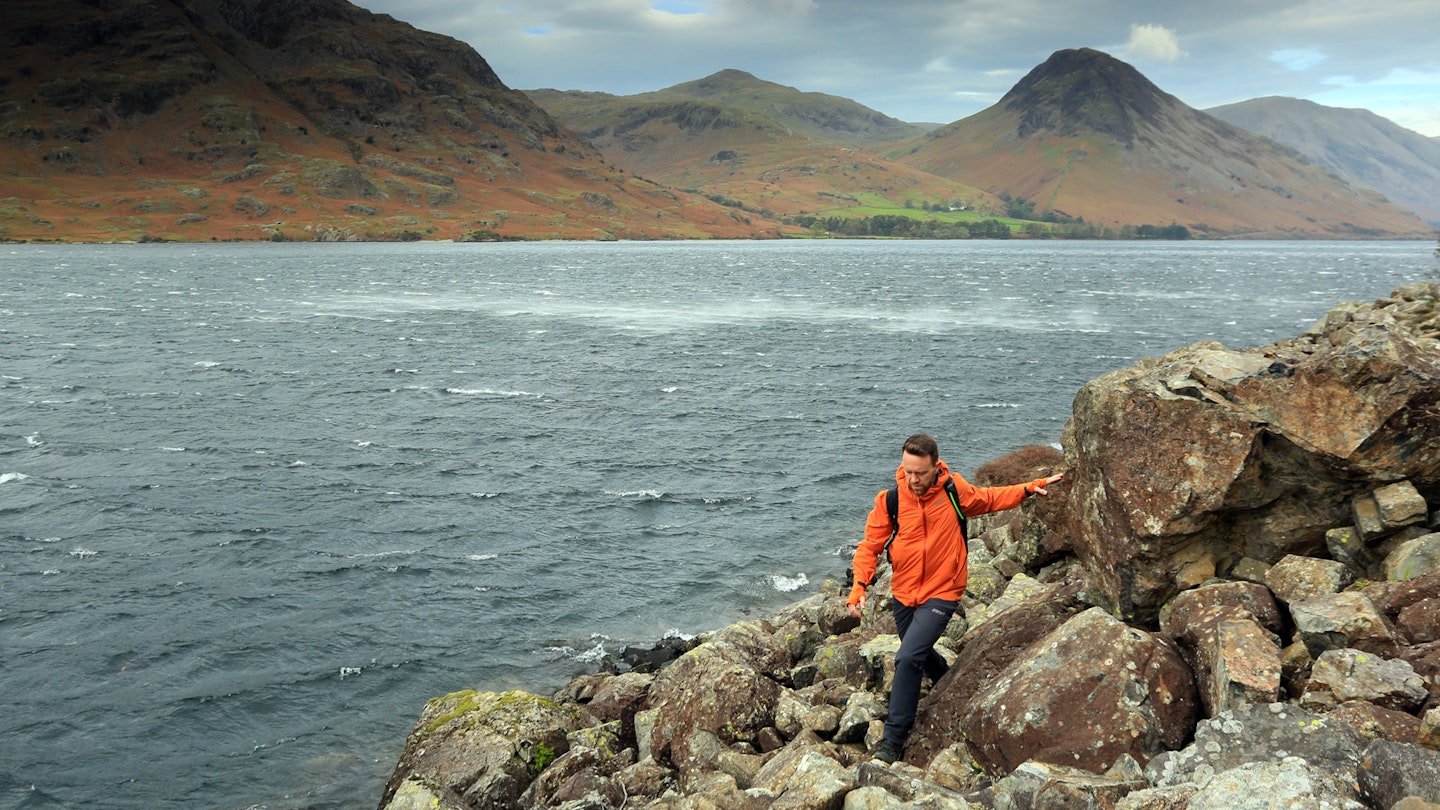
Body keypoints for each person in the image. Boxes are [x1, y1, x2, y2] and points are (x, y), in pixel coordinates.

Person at [846, 433, 1063, 765]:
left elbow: (989, 499)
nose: (913, 479)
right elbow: (869, 547)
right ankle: (946, 679)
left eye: (920, 473)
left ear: (936, 467)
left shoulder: (953, 490)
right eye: (908, 471)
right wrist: (858, 587)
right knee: (917, 652)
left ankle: (893, 739)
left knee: (907, 658)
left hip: (943, 591)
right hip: (903, 593)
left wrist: (1028, 488)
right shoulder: (890, 500)